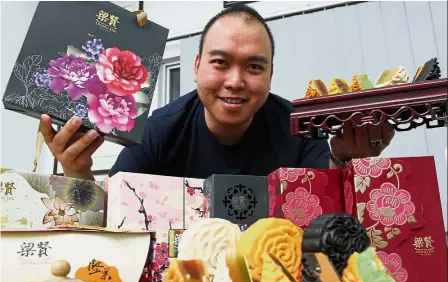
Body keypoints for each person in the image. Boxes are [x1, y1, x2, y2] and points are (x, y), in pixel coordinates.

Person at [39, 4, 395, 182]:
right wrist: (77, 168)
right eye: (220, 62)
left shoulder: (297, 126)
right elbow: (109, 213)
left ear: (271, 74)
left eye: (254, 67)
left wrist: (348, 157)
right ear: (196, 68)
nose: (236, 81)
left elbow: (332, 204)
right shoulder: (160, 130)